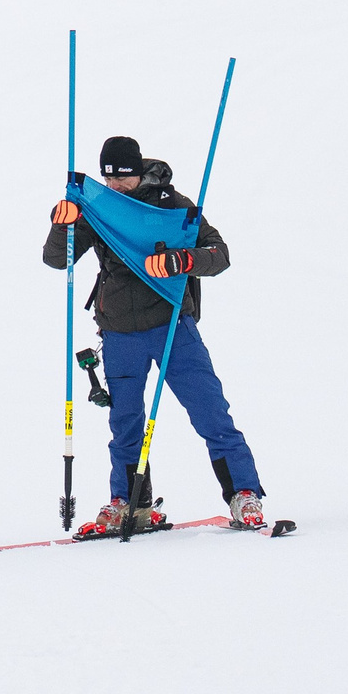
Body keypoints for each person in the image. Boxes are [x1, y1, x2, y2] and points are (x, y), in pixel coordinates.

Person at [44, 135, 268, 534]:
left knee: (210, 412)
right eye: (108, 179)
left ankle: (244, 495)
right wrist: (64, 225)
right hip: (118, 334)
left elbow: (219, 255)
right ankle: (129, 503)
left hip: (171, 329)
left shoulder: (171, 205)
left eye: (123, 178)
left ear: (139, 170)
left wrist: (184, 260)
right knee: (125, 424)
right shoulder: (100, 208)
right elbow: (56, 260)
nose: (115, 186)